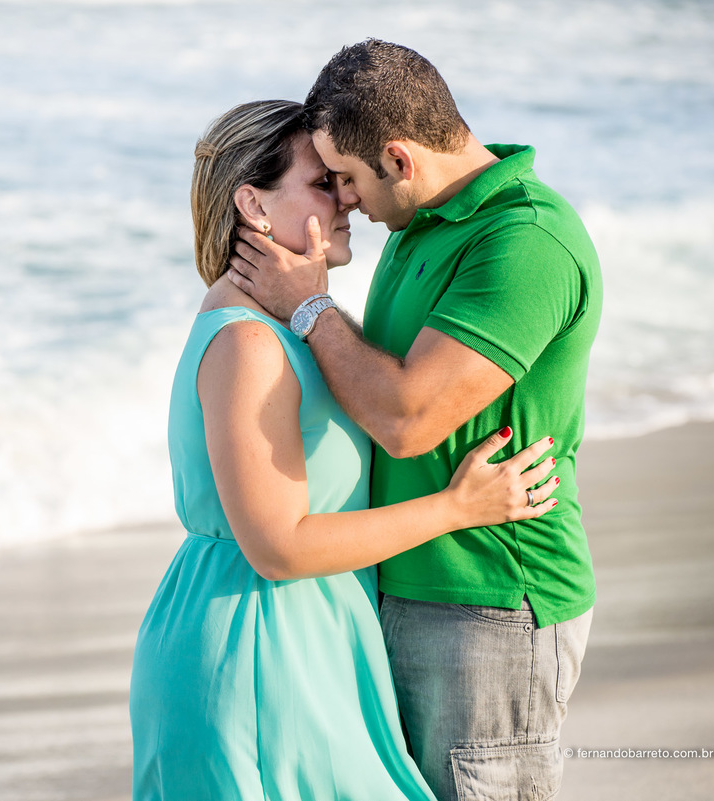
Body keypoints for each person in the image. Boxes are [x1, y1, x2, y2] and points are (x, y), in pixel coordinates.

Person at [129, 99, 561, 800]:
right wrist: (456, 507)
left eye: (343, 180)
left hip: (305, 635)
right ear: (253, 204)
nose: (348, 202)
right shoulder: (247, 341)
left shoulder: (291, 327)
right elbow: (279, 546)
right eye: (321, 184)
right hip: (257, 645)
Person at [227, 41, 602, 801]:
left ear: (398, 159)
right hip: (402, 588)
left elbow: (405, 418)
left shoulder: (526, 241)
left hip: (491, 599)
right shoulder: (415, 229)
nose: (343, 198)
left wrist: (308, 303)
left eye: (348, 178)